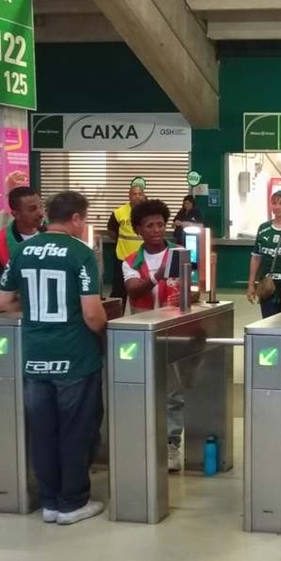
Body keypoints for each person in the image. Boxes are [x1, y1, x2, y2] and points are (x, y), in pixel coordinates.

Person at [0, 191, 107, 526]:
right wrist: (102, 332)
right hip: (73, 355)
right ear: (74, 218)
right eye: (83, 219)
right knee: (76, 430)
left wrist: (31, 312)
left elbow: (1, 302)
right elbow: (92, 314)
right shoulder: (80, 253)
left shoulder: (22, 251)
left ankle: (50, 502)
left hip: (35, 355)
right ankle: (73, 503)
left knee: (42, 430)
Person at [122, 199, 196, 472]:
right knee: (141, 388)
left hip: (173, 330)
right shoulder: (131, 261)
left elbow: (195, 289)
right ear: (138, 229)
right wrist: (157, 277)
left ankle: (171, 444)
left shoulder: (179, 253)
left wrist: (189, 291)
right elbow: (133, 290)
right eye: (149, 225)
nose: (156, 230)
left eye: (160, 224)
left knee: (173, 391)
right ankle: (142, 440)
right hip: (142, 334)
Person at [0, 187, 45, 306]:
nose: (40, 213)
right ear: (16, 214)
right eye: (32, 209)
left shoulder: (55, 233)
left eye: (40, 206)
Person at [246, 190, 281, 318]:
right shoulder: (264, 229)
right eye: (274, 203)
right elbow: (256, 257)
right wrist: (251, 284)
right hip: (267, 284)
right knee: (268, 321)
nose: (277, 207)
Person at [106, 181, 147, 309]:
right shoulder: (119, 212)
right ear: (129, 196)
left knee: (144, 291)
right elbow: (111, 231)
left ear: (144, 195)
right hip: (122, 258)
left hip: (143, 259)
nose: (137, 196)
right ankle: (116, 321)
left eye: (140, 194)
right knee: (119, 292)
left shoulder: (148, 212)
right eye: (134, 194)